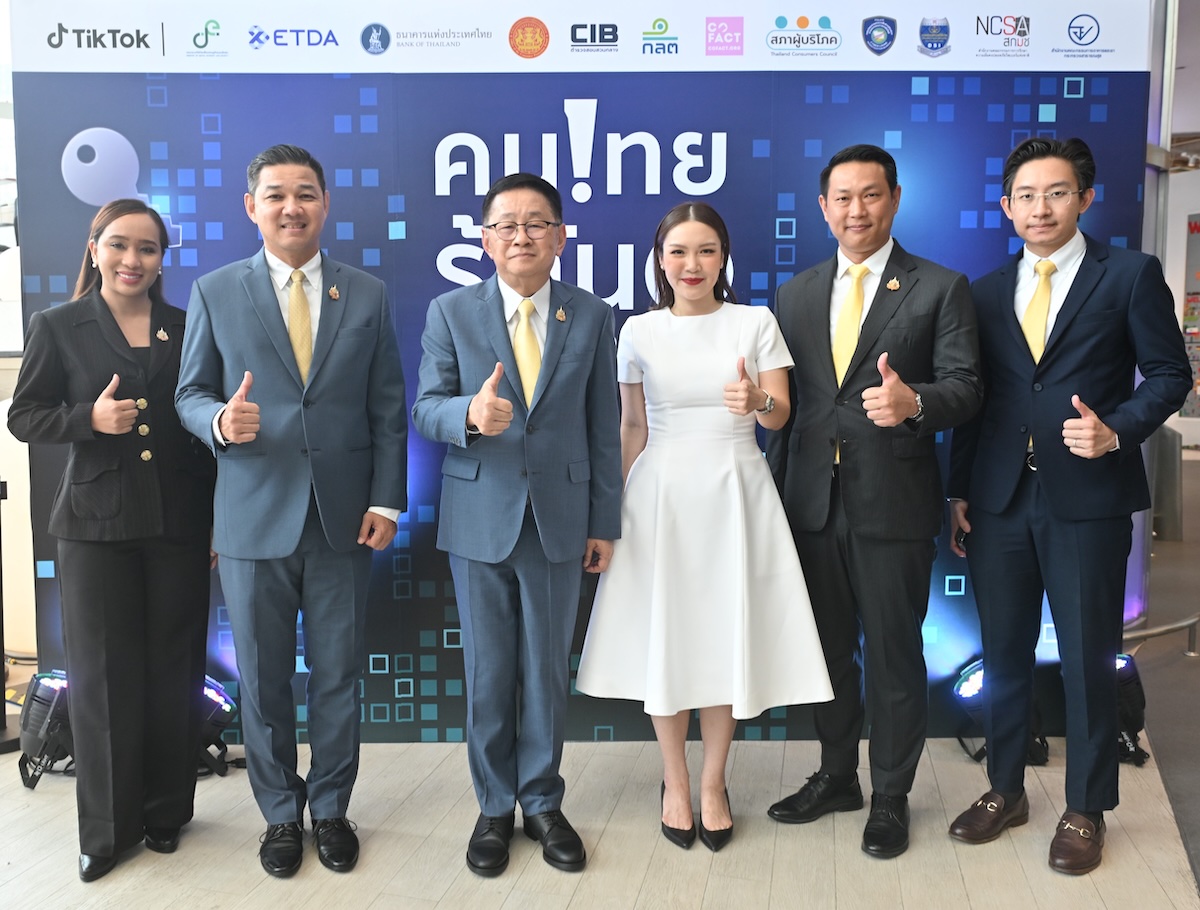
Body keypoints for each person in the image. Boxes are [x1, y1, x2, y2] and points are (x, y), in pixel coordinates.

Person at [945, 137, 1191, 874]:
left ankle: (1087, 808)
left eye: (1056, 193)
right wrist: (960, 489)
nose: (1040, 208)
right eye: (1026, 195)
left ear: (1084, 198)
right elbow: (978, 399)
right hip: (999, 499)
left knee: (1087, 658)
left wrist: (1117, 429)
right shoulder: (985, 291)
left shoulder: (1130, 275)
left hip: (1088, 499)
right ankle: (1005, 789)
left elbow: (1170, 374)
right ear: (1006, 206)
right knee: (1004, 652)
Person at [175, 144, 408, 878]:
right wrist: (218, 420)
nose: (291, 207)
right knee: (264, 678)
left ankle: (331, 808)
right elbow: (188, 394)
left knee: (337, 675)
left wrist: (386, 500)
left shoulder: (366, 293)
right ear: (252, 207)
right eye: (275, 194)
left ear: (325, 204)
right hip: (251, 517)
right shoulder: (215, 291)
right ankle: (280, 813)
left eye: (305, 193)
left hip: (343, 519)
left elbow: (388, 408)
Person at [575, 202, 832, 853]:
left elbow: (779, 415)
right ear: (660, 261)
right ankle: (676, 782)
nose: (692, 264)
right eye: (679, 252)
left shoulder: (754, 322)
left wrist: (757, 400)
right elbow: (632, 426)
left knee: (723, 637)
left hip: (735, 490)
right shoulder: (638, 331)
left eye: (706, 251)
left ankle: (713, 783)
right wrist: (612, 513)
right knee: (668, 640)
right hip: (658, 497)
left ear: (723, 259)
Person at [764, 144, 983, 858]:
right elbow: (789, 409)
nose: (855, 210)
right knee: (827, 654)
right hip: (810, 504)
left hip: (893, 502)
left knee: (893, 655)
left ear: (894, 199)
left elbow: (967, 388)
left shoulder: (939, 286)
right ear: (823, 207)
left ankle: (891, 794)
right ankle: (837, 776)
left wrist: (914, 402)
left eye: (870, 195)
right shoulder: (795, 294)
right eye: (842, 197)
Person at [412, 172, 621, 877]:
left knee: (546, 673)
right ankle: (494, 807)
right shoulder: (450, 312)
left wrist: (604, 521)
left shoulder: (591, 315)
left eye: (537, 224)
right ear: (485, 238)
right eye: (507, 224)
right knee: (489, 671)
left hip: (561, 518)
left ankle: (542, 802)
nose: (521, 236)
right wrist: (469, 415)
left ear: (560, 238)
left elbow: (603, 427)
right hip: (479, 517)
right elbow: (425, 407)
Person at [8, 199, 216, 883]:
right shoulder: (57, 325)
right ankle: (105, 831)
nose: (133, 260)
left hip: (179, 524)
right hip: (94, 529)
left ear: (161, 259)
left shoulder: (188, 325)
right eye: (120, 245)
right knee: (101, 681)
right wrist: (87, 419)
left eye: (148, 249)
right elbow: (24, 416)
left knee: (174, 674)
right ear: (95, 248)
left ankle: (166, 813)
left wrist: (218, 520)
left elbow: (202, 427)